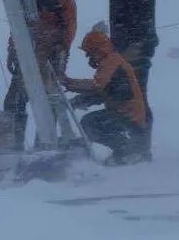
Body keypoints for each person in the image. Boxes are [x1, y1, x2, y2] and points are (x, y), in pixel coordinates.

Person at [3, 0, 77, 149]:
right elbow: (18, 26)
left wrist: (60, 53)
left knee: (48, 104)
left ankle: (44, 145)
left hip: (49, 60)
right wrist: (12, 50)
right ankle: (15, 144)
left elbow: (69, 31)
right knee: (14, 102)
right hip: (27, 58)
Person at [62, 31, 148, 165]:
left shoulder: (112, 62)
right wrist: (79, 100)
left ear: (99, 50)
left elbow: (97, 87)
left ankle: (127, 150)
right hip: (124, 116)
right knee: (90, 122)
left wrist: (70, 84)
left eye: (90, 53)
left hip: (129, 118)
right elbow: (104, 92)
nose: (89, 58)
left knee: (91, 123)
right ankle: (125, 148)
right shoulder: (111, 63)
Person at [106, 0, 158, 149]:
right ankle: (130, 145)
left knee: (138, 97)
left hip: (138, 48)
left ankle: (140, 147)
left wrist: (136, 45)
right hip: (122, 48)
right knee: (123, 96)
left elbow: (143, 14)